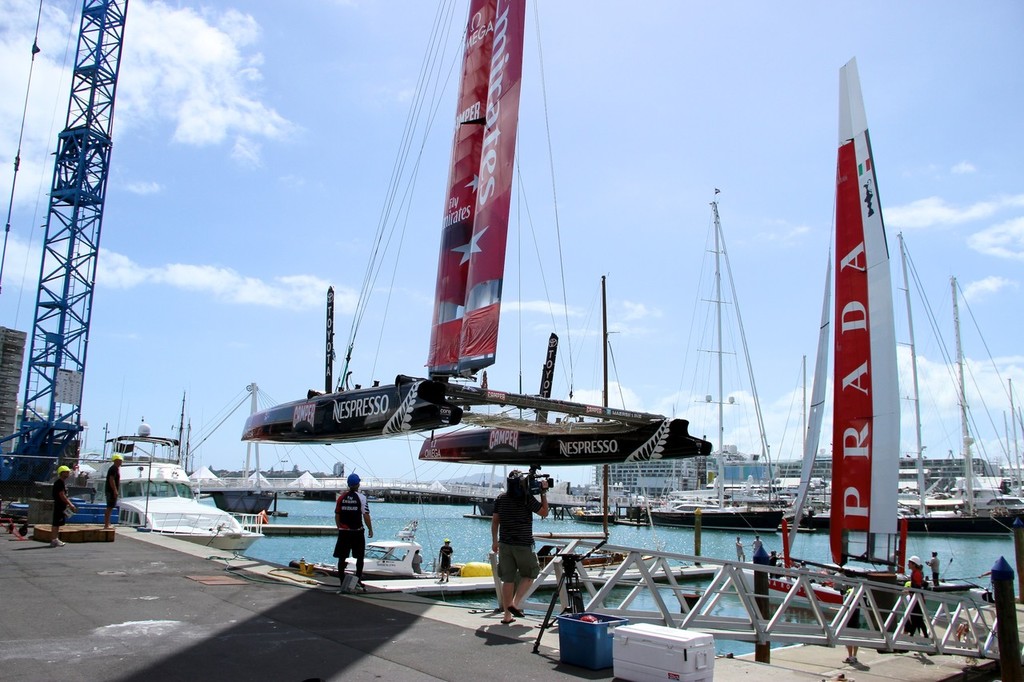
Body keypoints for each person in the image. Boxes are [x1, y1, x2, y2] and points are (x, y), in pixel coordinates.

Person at [491, 470, 549, 624]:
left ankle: (506, 616)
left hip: (504, 543)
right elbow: (544, 512)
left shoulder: (501, 498)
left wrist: (494, 541)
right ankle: (514, 604)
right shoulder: (526, 498)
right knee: (530, 574)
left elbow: (495, 521)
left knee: (507, 579)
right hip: (523, 543)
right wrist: (543, 493)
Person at [333, 473, 373, 591]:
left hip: (344, 532)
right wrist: (370, 529)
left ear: (348, 484)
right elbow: (366, 515)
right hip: (357, 532)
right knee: (359, 558)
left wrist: (339, 527)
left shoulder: (341, 497)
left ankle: (341, 580)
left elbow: (337, 514)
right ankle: (358, 580)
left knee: (342, 557)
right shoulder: (361, 497)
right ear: (358, 484)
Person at [51, 465, 76, 547]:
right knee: (56, 523)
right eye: (66, 472)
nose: (68, 474)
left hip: (61, 505)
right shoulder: (59, 483)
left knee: (58, 523)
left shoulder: (61, 482)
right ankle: (54, 539)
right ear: (62, 473)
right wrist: (70, 504)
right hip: (59, 505)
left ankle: (55, 539)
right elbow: (62, 495)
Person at [905, 555, 928, 637]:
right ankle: (915, 634)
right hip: (916, 598)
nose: (908, 564)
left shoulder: (916, 574)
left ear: (914, 564)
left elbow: (917, 587)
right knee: (916, 618)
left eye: (909, 563)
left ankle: (922, 635)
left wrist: (909, 590)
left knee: (917, 618)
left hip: (917, 600)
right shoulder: (916, 573)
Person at [844, 587, 862, 664]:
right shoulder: (858, 596)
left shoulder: (849, 593)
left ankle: (850, 656)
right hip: (856, 620)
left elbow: (845, 608)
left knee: (848, 639)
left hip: (849, 620)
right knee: (855, 639)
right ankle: (854, 656)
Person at [104, 454, 123, 529]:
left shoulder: (115, 468)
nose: (121, 462)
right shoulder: (113, 469)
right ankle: (106, 524)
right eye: (120, 460)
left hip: (111, 490)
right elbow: (111, 480)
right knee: (109, 507)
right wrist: (115, 490)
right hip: (110, 491)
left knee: (110, 507)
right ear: (116, 461)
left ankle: (108, 523)